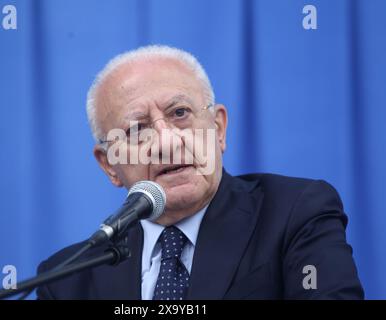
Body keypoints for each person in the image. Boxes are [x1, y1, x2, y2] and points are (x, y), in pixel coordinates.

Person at [36, 45, 364, 299]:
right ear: (110, 164)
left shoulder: (295, 214)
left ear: (218, 129)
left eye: (180, 113)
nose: (166, 141)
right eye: (137, 130)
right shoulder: (68, 279)